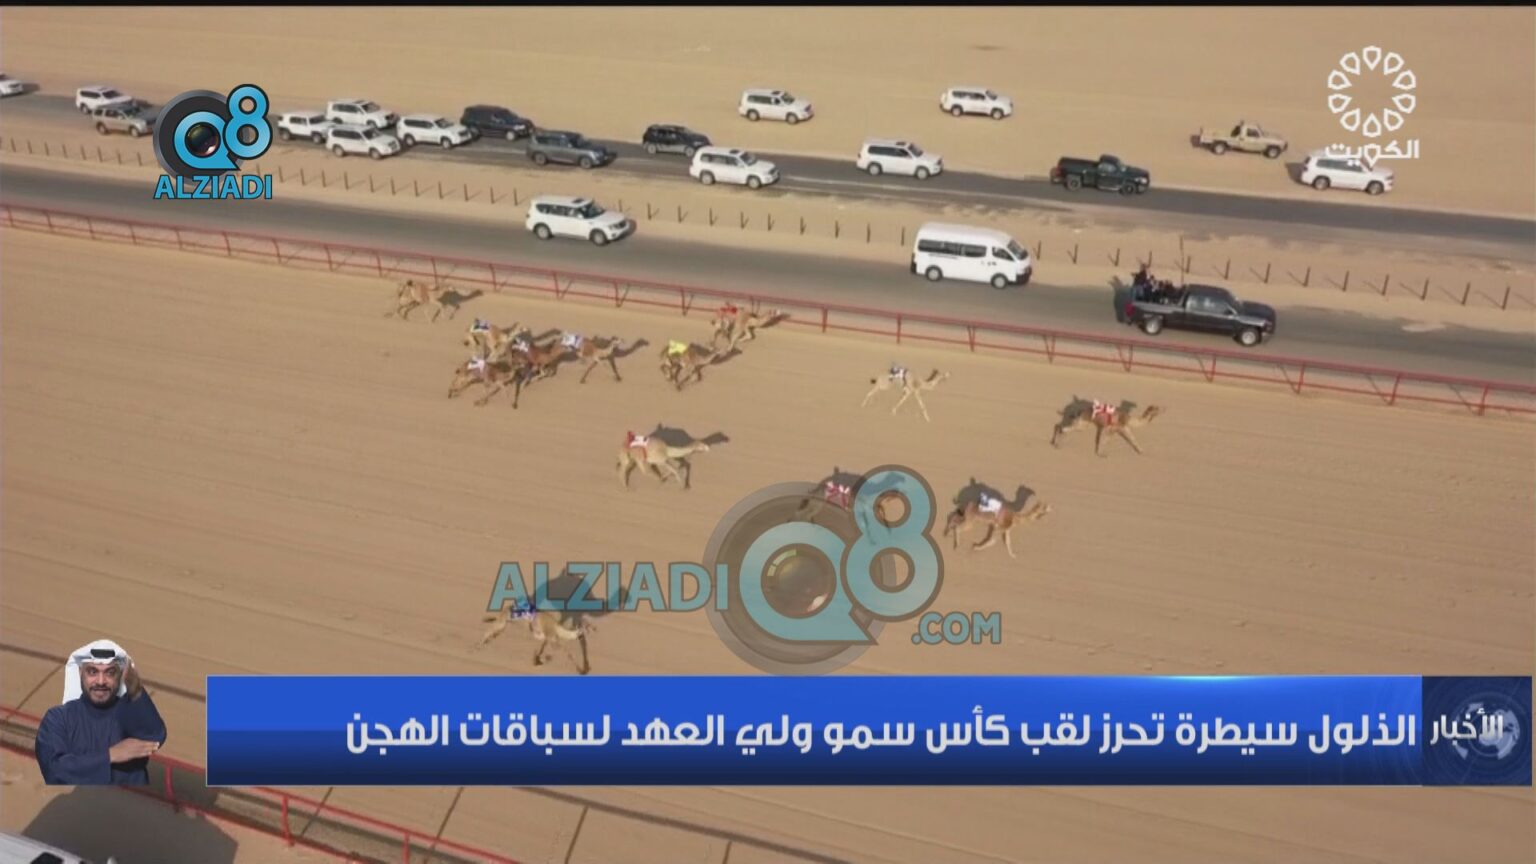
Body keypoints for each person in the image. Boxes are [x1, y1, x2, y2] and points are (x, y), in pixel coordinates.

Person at [35, 640, 167, 786]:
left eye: (110, 673)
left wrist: (135, 692)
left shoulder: (130, 712)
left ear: (120, 676)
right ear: (80, 672)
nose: (101, 681)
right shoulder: (58, 718)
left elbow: (154, 738)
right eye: (93, 672)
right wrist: (110, 755)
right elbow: (54, 769)